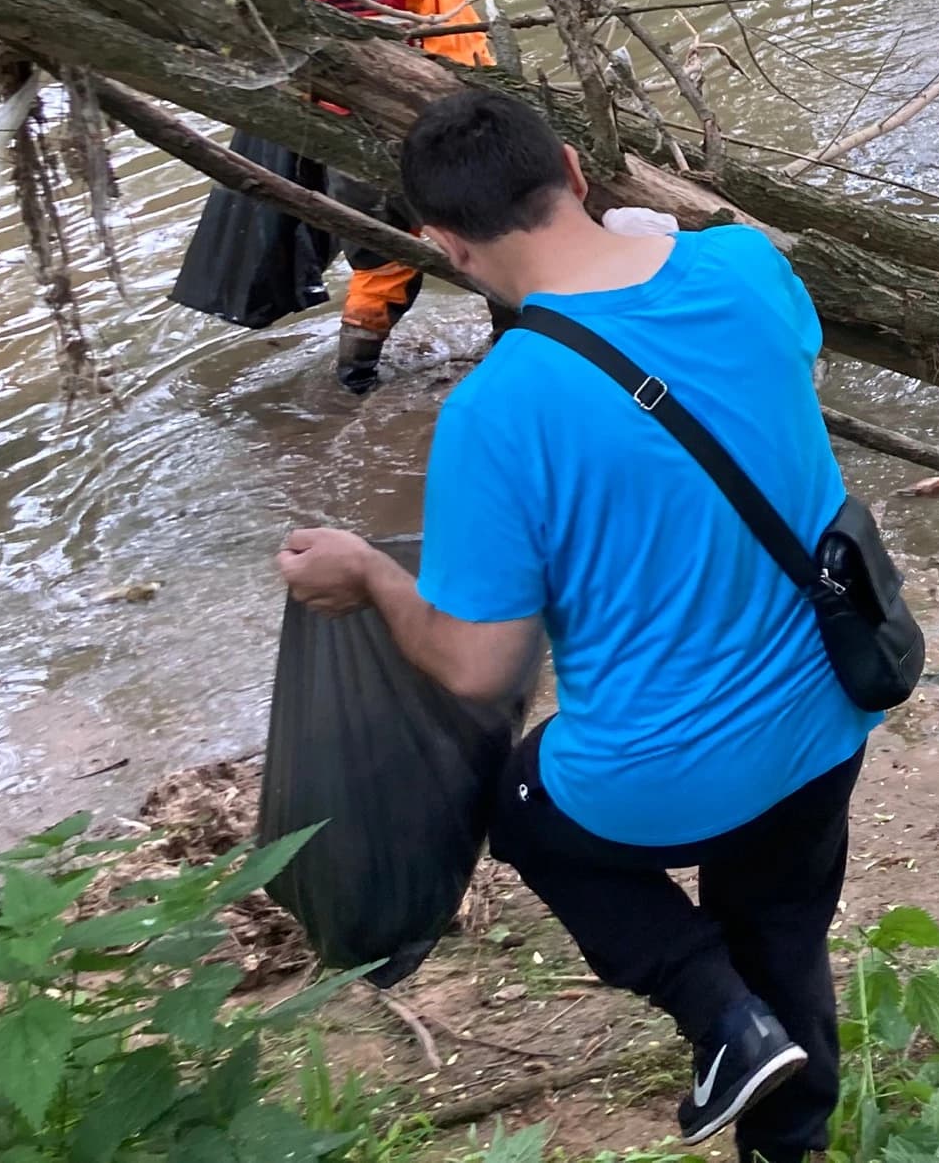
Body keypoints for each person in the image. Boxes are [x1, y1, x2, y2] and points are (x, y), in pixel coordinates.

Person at [275, 89, 873, 1159]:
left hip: (661, 783)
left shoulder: (497, 413)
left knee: (523, 809)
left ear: (439, 245)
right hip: (826, 715)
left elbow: (477, 664)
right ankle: (789, 1137)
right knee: (779, 926)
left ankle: (718, 1014)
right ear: (570, 166)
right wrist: (660, 244)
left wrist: (369, 574)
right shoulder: (748, 268)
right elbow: (762, 355)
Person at [303, 0, 496, 391]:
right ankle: (515, 350)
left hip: (348, 156)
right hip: (427, 142)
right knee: (491, 244)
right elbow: (465, 51)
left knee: (377, 270)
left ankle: (354, 382)